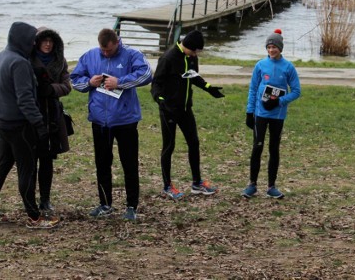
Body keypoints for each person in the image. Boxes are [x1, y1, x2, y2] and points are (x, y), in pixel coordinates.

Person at [0, 21, 61, 229]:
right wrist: (39, 124)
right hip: (19, 125)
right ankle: (34, 217)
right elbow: (25, 99)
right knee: (28, 169)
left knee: (3, 165)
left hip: (2, 122)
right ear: (22, 40)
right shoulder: (20, 63)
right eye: (32, 40)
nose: (34, 43)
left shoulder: (1, 56)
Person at [70, 28, 152, 221]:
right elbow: (74, 80)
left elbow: (147, 74)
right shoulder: (90, 56)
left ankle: (132, 206)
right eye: (103, 50)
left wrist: (120, 82)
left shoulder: (132, 54)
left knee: (129, 163)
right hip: (100, 121)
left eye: (109, 50)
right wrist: (89, 82)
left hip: (125, 120)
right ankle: (105, 203)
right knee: (102, 163)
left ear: (117, 43)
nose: (106, 53)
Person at [150, 29, 225, 201]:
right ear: (188, 46)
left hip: (185, 109)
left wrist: (209, 88)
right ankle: (167, 186)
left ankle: (197, 183)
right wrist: (160, 100)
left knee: (194, 142)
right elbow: (156, 84)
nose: (196, 54)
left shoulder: (191, 57)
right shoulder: (168, 58)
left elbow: (193, 77)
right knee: (169, 146)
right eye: (195, 51)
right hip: (168, 109)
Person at [242, 29, 301, 199]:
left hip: (277, 115)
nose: (271, 50)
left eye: (274, 47)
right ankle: (252, 185)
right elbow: (253, 89)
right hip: (260, 114)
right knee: (257, 147)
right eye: (269, 47)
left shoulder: (288, 67)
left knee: (273, 149)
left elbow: (296, 91)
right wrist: (249, 111)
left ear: (280, 48)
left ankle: (271, 186)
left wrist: (279, 101)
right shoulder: (260, 65)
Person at [31, 27, 72, 213]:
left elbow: (66, 86)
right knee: (30, 159)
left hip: (52, 115)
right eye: (44, 40)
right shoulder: (28, 60)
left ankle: (45, 199)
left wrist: (51, 90)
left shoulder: (59, 61)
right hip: (32, 112)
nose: (47, 44)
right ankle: (29, 198)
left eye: (50, 41)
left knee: (47, 160)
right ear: (38, 42)